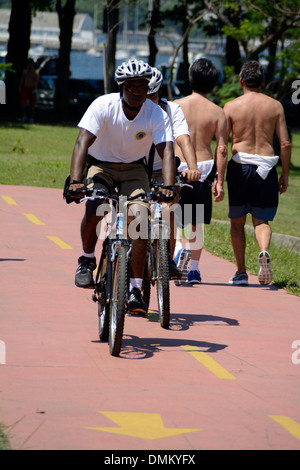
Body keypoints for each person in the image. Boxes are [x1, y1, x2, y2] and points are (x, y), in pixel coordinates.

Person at [66, 59, 175, 314]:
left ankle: (135, 288)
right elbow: (82, 141)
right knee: (96, 207)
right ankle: (86, 259)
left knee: (139, 218)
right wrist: (75, 182)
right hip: (101, 165)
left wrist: (169, 186)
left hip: (135, 169)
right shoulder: (103, 105)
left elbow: (166, 151)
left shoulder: (155, 113)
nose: (137, 91)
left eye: (142, 86)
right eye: (131, 86)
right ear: (121, 86)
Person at [224, 60, 291, 286]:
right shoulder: (275, 106)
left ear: (241, 81)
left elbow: (222, 145)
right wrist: (284, 175)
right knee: (261, 220)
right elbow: (285, 143)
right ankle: (263, 251)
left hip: (239, 165)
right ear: (262, 81)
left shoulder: (231, 106)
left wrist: (217, 176)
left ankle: (241, 272)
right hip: (266, 166)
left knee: (237, 221)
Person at [173, 58, 228, 284]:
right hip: (203, 167)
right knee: (195, 221)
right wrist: (220, 181)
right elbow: (222, 149)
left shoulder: (175, 105)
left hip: (178, 164)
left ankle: (177, 247)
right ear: (214, 84)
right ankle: (194, 269)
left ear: (190, 78)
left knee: (173, 215)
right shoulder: (218, 112)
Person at [146, 67, 201, 279]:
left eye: (153, 95)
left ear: (159, 93)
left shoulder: (171, 110)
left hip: (164, 169)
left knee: (169, 209)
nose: (148, 101)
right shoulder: (132, 108)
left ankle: (167, 258)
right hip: (135, 168)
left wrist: (192, 167)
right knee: (134, 214)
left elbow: (183, 139)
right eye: (145, 95)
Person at [19, 58, 39, 123]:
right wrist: (20, 87)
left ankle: (31, 117)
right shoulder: (25, 72)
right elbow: (22, 79)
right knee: (23, 102)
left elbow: (36, 81)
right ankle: (24, 116)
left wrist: (35, 89)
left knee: (32, 104)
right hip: (26, 88)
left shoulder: (36, 72)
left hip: (32, 88)